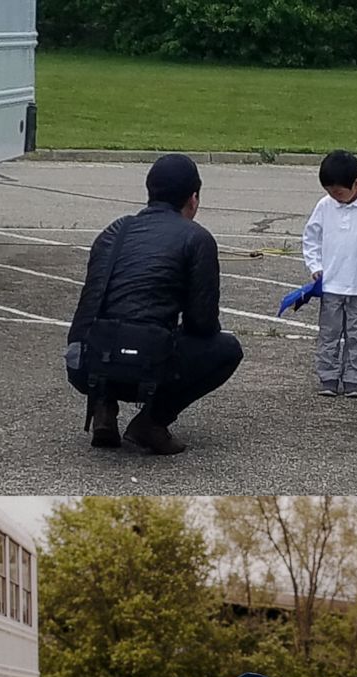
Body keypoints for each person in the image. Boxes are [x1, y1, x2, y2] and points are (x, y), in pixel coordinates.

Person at [67, 154, 243, 454]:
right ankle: (151, 422)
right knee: (227, 350)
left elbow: (88, 308)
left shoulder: (113, 232)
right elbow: (202, 323)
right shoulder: (197, 238)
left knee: (99, 330)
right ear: (194, 198)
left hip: (87, 366)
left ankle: (103, 406)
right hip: (145, 368)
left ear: (149, 191)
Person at [302, 149, 357, 398]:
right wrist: (315, 266)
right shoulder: (325, 206)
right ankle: (328, 377)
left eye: (338, 192)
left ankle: (354, 379)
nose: (334, 197)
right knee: (328, 334)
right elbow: (311, 238)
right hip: (331, 286)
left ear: (356, 184)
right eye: (329, 192)